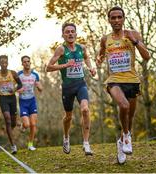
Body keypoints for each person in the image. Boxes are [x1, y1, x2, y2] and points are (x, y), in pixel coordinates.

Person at [96, 6, 150, 164]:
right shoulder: (106, 39)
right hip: (114, 80)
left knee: (130, 117)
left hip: (132, 80)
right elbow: (100, 53)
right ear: (109, 20)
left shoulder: (133, 34)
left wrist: (134, 41)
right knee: (124, 106)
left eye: (119, 17)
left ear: (124, 18)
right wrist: (99, 59)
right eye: (113, 18)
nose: (116, 20)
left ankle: (121, 143)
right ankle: (126, 135)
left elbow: (146, 56)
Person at [46, 23, 96, 155]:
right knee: (68, 116)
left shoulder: (81, 47)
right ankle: (66, 138)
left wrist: (91, 68)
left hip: (80, 84)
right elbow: (48, 68)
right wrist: (65, 65)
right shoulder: (61, 50)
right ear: (63, 34)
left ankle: (86, 143)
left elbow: (86, 58)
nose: (70, 34)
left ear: (76, 34)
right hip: (67, 87)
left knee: (85, 110)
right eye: (67, 32)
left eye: (72, 31)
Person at [0, 55, 23, 154]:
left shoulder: (13, 73)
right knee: (7, 119)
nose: (4, 64)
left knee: (13, 122)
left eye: (5, 62)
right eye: (2, 62)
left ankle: (11, 128)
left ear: (7, 63)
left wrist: (14, 89)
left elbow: (20, 84)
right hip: (3, 99)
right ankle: (13, 146)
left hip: (12, 98)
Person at [18, 55, 42, 151]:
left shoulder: (35, 75)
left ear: (30, 62)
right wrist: (18, 89)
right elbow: (14, 87)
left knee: (33, 124)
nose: (27, 63)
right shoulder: (18, 75)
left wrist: (38, 86)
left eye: (28, 61)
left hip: (32, 101)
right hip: (23, 102)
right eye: (25, 61)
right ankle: (23, 125)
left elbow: (41, 89)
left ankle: (30, 144)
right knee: (27, 124)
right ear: (22, 63)